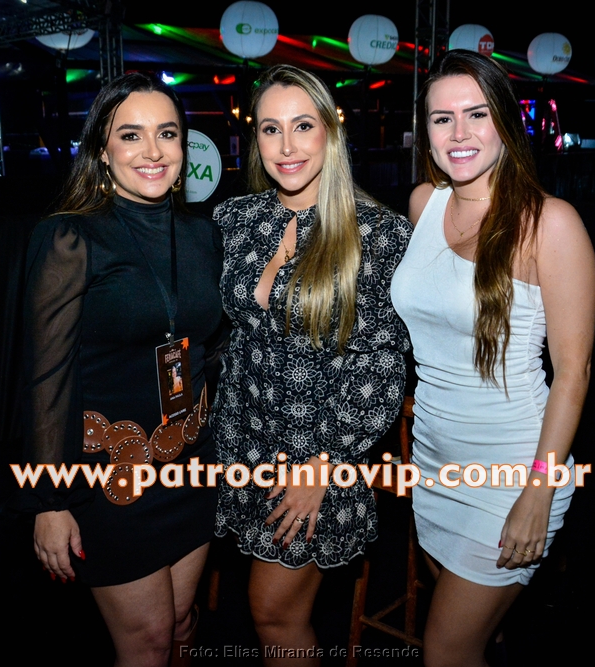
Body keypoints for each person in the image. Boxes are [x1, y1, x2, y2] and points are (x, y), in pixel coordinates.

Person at [391, 50, 595, 666]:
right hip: (434, 461)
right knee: (478, 640)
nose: (459, 133)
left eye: (476, 114)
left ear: (504, 122)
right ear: (426, 132)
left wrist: (538, 492)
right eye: (442, 118)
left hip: (512, 471)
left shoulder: (549, 224)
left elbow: (574, 373)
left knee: (445, 649)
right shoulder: (424, 204)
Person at [211, 65, 411, 664]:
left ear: (331, 132)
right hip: (244, 445)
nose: (286, 146)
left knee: (275, 614)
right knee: (262, 614)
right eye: (270, 129)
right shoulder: (237, 220)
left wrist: (322, 465)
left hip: (316, 457)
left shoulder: (377, 234)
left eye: (303, 126)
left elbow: (381, 369)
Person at [22, 73, 223, 667]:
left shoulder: (202, 233)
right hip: (111, 480)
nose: (152, 151)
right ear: (102, 150)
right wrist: (48, 500)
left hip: (192, 465)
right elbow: (46, 378)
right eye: (131, 135)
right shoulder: (70, 236)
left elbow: (209, 347)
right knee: (147, 642)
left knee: (182, 624)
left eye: (168, 133)